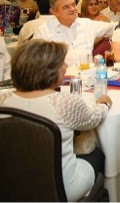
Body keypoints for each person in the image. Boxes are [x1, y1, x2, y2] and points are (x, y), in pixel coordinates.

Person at [0, 40, 112, 201]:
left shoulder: (3, 100)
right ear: (50, 70)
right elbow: (93, 120)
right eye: (62, 63)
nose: (66, 67)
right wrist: (104, 104)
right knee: (98, 154)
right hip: (60, 189)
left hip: (11, 185)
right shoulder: (64, 102)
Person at [33, 0, 115, 66]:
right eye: (66, 7)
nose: (72, 9)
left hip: (87, 78)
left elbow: (114, 27)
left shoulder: (86, 24)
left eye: (73, 4)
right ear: (53, 11)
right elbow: (36, 62)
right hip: (60, 80)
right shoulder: (43, 31)